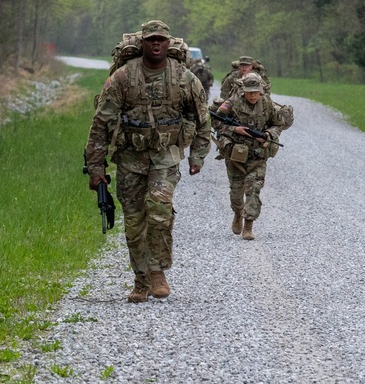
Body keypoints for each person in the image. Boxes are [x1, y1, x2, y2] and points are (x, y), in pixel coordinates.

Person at [85, 20, 211, 303]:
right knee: (134, 219)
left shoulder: (184, 78)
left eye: (161, 40)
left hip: (165, 158)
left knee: (159, 209)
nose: (156, 44)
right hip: (130, 159)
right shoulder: (122, 78)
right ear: (142, 43)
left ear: (169, 44)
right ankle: (140, 280)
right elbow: (100, 124)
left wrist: (198, 156)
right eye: (151, 39)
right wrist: (96, 168)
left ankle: (157, 273)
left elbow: (203, 120)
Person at [212, 72, 286, 240]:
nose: (253, 95)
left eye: (256, 91)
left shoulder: (267, 104)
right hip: (235, 156)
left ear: (261, 90)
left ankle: (248, 226)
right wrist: (233, 129)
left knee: (253, 190)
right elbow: (215, 121)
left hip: (258, 155)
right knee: (236, 193)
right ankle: (238, 212)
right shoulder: (232, 103)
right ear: (243, 90)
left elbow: (278, 124)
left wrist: (268, 134)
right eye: (249, 92)